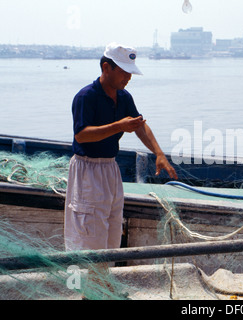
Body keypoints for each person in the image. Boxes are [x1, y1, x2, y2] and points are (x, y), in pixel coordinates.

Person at [64, 42, 178, 299]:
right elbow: (82, 135)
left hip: (110, 169)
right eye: (124, 72)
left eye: (130, 72)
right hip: (88, 170)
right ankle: (89, 293)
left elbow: (139, 126)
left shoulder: (124, 97)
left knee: (113, 232)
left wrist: (159, 154)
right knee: (90, 236)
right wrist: (118, 126)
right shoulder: (86, 97)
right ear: (107, 67)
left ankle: (103, 288)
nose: (128, 77)